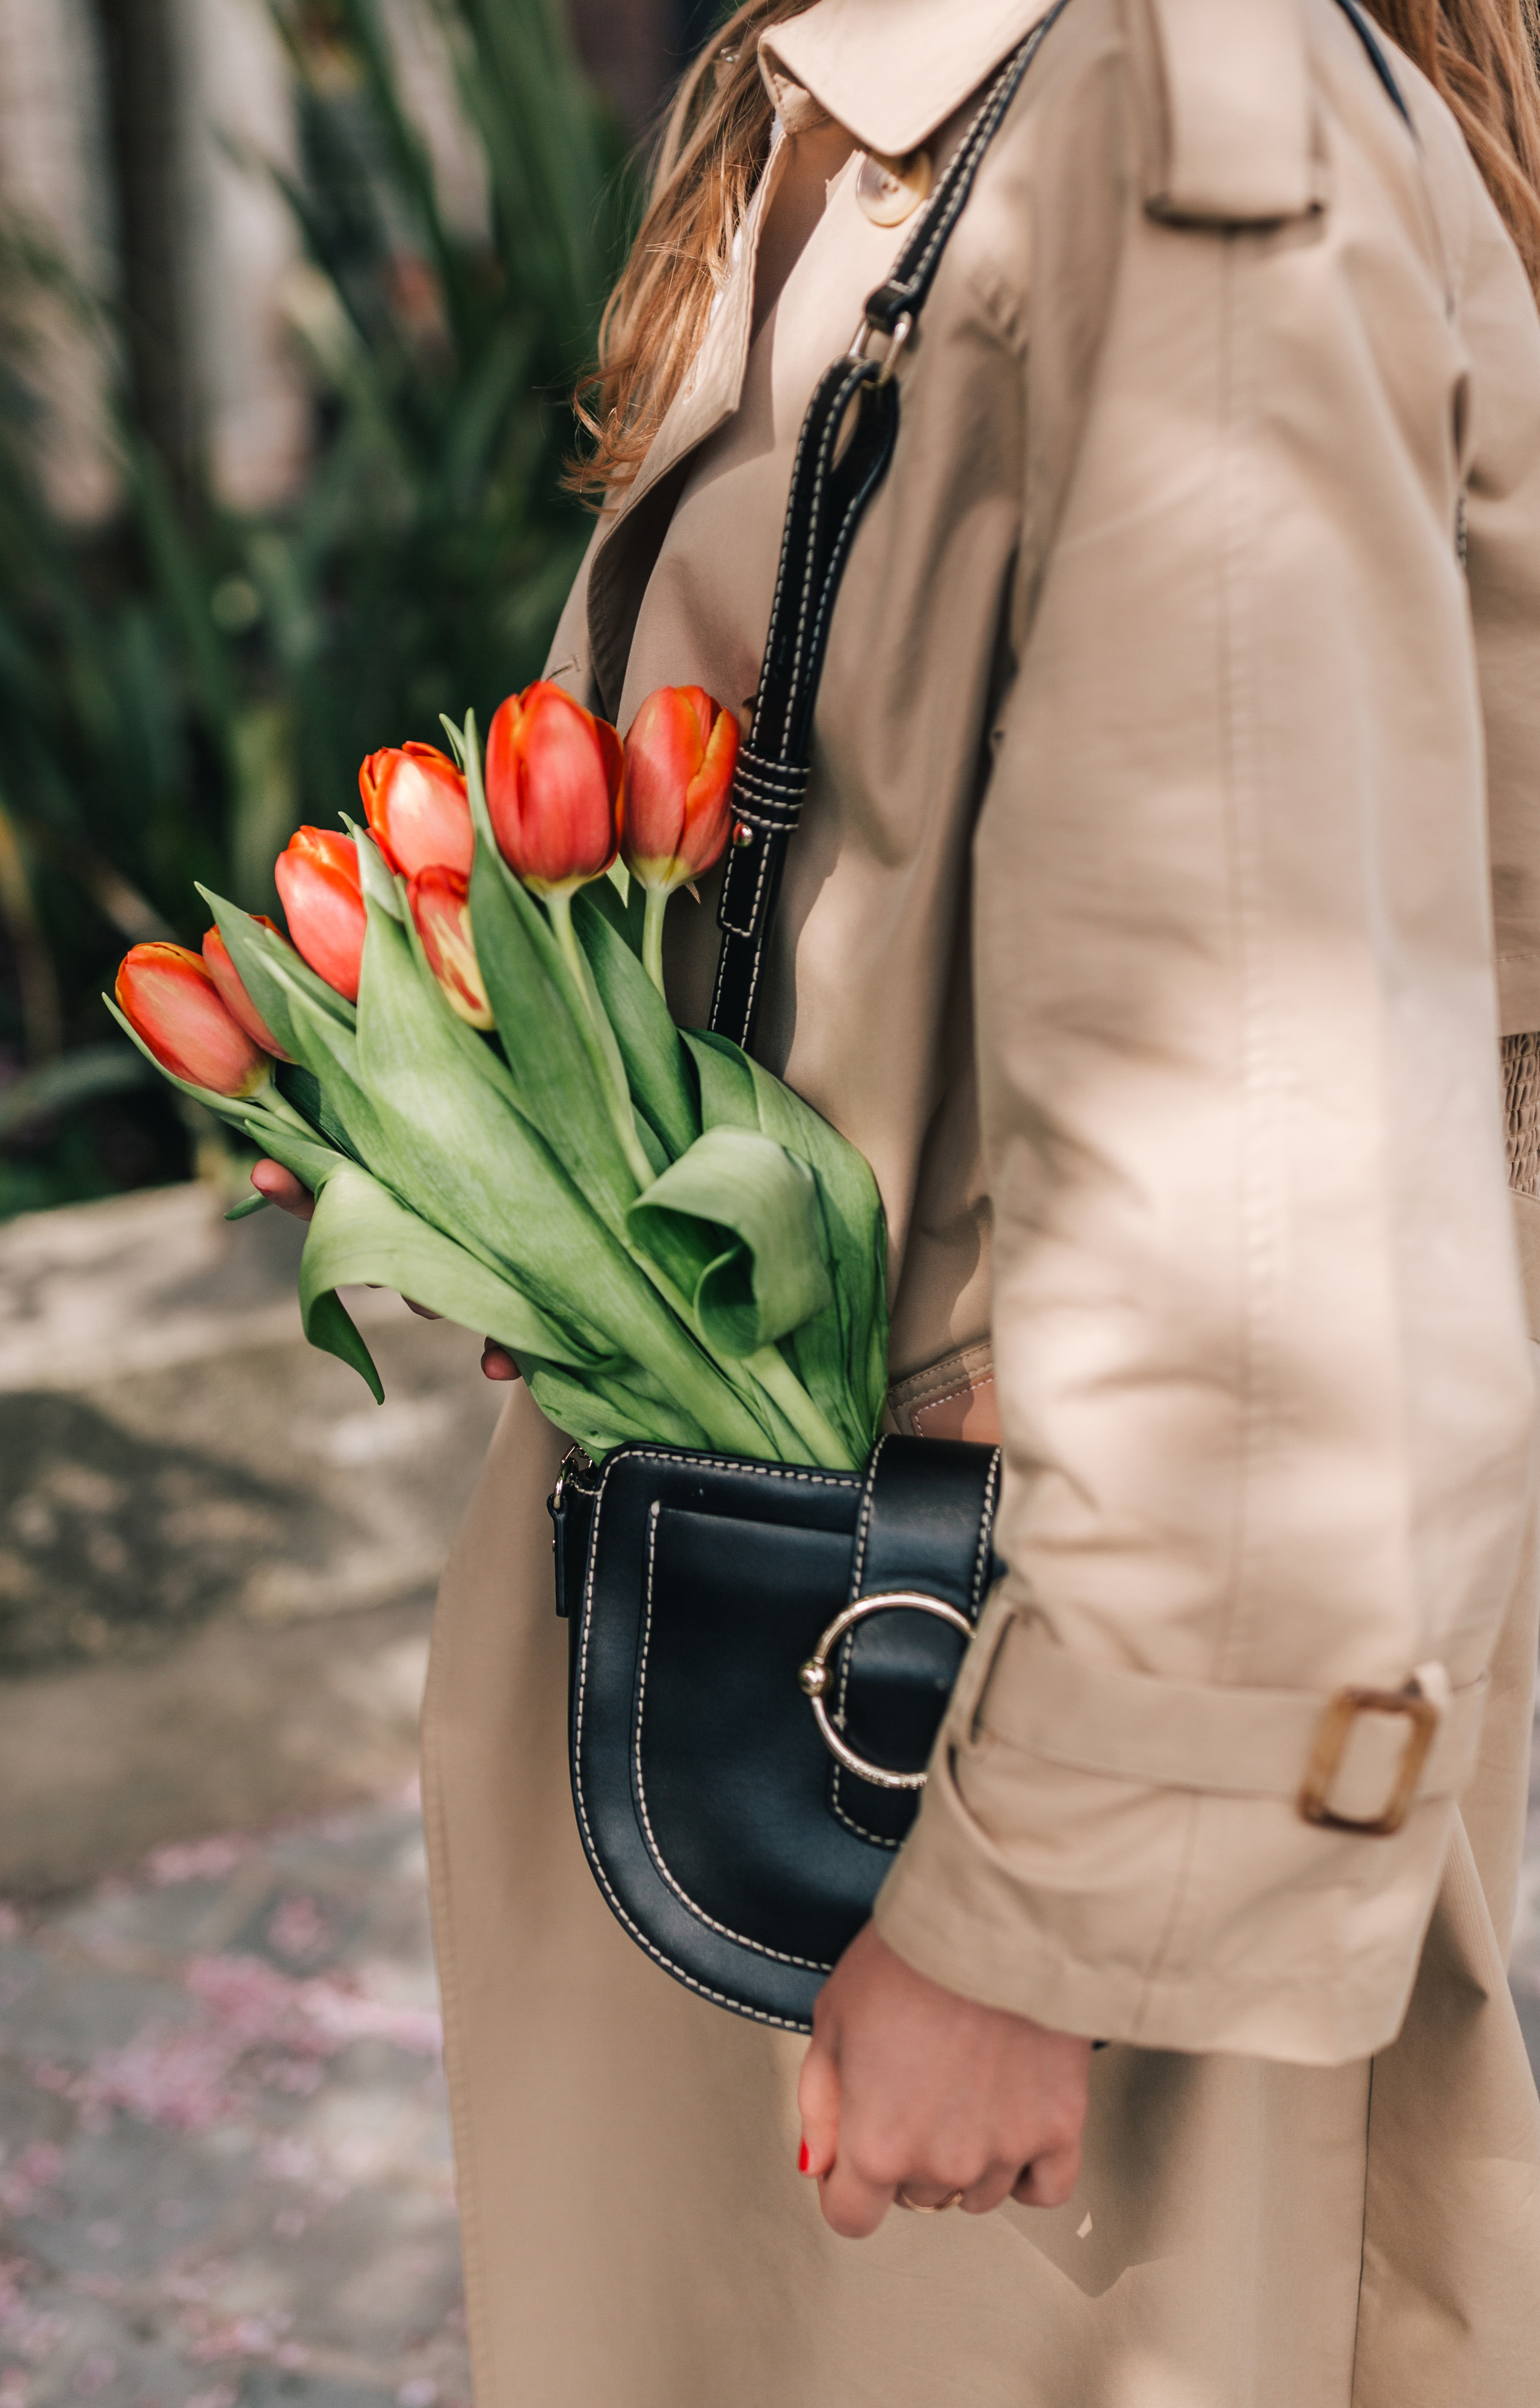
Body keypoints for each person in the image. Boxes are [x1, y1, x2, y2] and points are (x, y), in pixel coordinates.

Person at [255, 0, 1540, 2395]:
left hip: (937, 1789)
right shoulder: (901, 86)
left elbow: (1263, 1140)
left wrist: (1032, 1923)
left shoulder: (1164, 128)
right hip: (815, 1700)